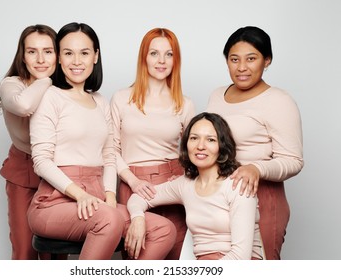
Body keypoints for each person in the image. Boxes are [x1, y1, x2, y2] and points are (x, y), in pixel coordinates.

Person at [27, 22, 176, 260]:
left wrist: (110, 195)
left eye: (84, 53)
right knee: (109, 220)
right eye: (68, 53)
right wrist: (80, 195)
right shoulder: (49, 97)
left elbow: (108, 155)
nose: (77, 61)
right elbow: (41, 162)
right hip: (53, 202)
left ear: (95, 56)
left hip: (96, 196)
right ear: (59, 58)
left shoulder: (100, 102)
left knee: (163, 229)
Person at [206, 26, 304, 260]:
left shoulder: (278, 101)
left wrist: (256, 168)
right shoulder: (217, 95)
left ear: (267, 60)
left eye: (251, 59)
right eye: (234, 59)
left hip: (262, 198)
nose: (241, 67)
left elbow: (294, 160)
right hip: (218, 198)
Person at [127, 112, 264, 260]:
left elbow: (241, 256)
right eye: (194, 138)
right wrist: (137, 218)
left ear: (222, 146)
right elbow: (138, 197)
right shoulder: (185, 185)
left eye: (210, 140)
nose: (200, 146)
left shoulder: (239, 185)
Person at [110, 27, 195, 260]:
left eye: (169, 54)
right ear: (143, 57)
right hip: (133, 182)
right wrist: (132, 180)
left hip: (173, 185)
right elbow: (110, 150)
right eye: (154, 53)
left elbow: (198, 152)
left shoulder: (185, 104)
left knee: (177, 260)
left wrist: (184, 179)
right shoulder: (121, 99)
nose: (161, 61)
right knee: (139, 258)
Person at [0, 24, 57, 260]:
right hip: (24, 172)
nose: (40, 59)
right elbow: (23, 105)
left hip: (59, 173)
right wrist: (47, 80)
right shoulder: (12, 84)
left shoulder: (66, 89)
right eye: (32, 51)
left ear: (58, 54)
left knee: (56, 253)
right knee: (25, 250)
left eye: (48, 51)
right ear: (23, 55)